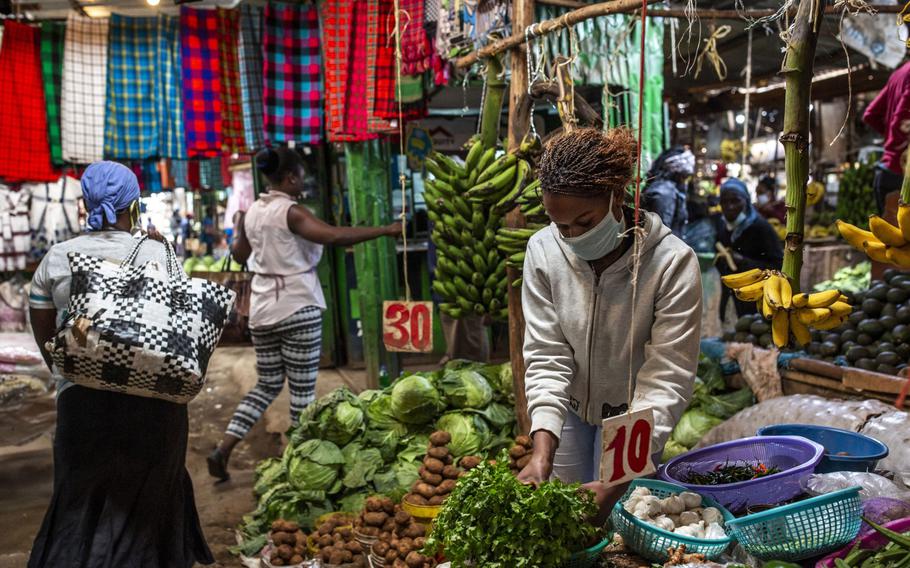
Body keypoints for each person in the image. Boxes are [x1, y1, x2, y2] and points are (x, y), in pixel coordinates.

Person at [27, 162, 213, 567]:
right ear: (134, 207)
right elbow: (180, 330)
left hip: (82, 406)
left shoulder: (58, 258)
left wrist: (72, 370)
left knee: (80, 503)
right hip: (156, 402)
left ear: (84, 206)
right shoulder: (158, 251)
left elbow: (44, 330)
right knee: (151, 505)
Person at [515, 129, 702, 515]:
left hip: (634, 417)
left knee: (619, 518)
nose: (572, 237)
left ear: (617, 196)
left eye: (585, 222)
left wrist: (613, 483)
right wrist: (541, 450)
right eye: (561, 226)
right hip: (567, 409)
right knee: (565, 514)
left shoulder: (672, 263)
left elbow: (666, 376)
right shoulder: (543, 251)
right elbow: (547, 353)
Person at [208, 146, 401, 481]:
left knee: (266, 384)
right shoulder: (291, 211)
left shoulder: (253, 210)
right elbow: (334, 235)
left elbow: (239, 256)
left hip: (264, 310)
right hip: (298, 306)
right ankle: (299, 467)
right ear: (291, 176)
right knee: (302, 392)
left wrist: (243, 226)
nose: (304, 182)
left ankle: (224, 447)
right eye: (302, 176)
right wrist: (384, 230)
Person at [714, 178, 784, 319]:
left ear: (746, 201)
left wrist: (743, 261)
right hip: (731, 302)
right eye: (724, 201)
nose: (730, 207)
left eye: (735, 200)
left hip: (758, 306)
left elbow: (779, 266)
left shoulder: (760, 228)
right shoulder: (722, 227)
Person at [863, 60, 910, 213]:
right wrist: (898, 151)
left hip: (886, 174)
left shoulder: (899, 73)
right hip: (902, 179)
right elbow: (902, 122)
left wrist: (891, 139)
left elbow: (871, 114)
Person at [641, 147, 695, 238]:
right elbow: (661, 234)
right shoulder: (664, 194)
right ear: (677, 173)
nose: (685, 181)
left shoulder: (670, 191)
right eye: (684, 176)